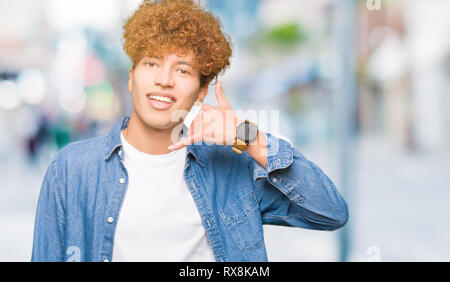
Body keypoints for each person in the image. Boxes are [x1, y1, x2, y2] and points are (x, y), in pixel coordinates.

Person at [31, 0, 348, 262]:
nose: (164, 80)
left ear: (200, 92)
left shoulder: (232, 169)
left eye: (182, 70)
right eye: (152, 64)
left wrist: (248, 136)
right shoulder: (72, 169)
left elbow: (330, 212)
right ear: (131, 78)